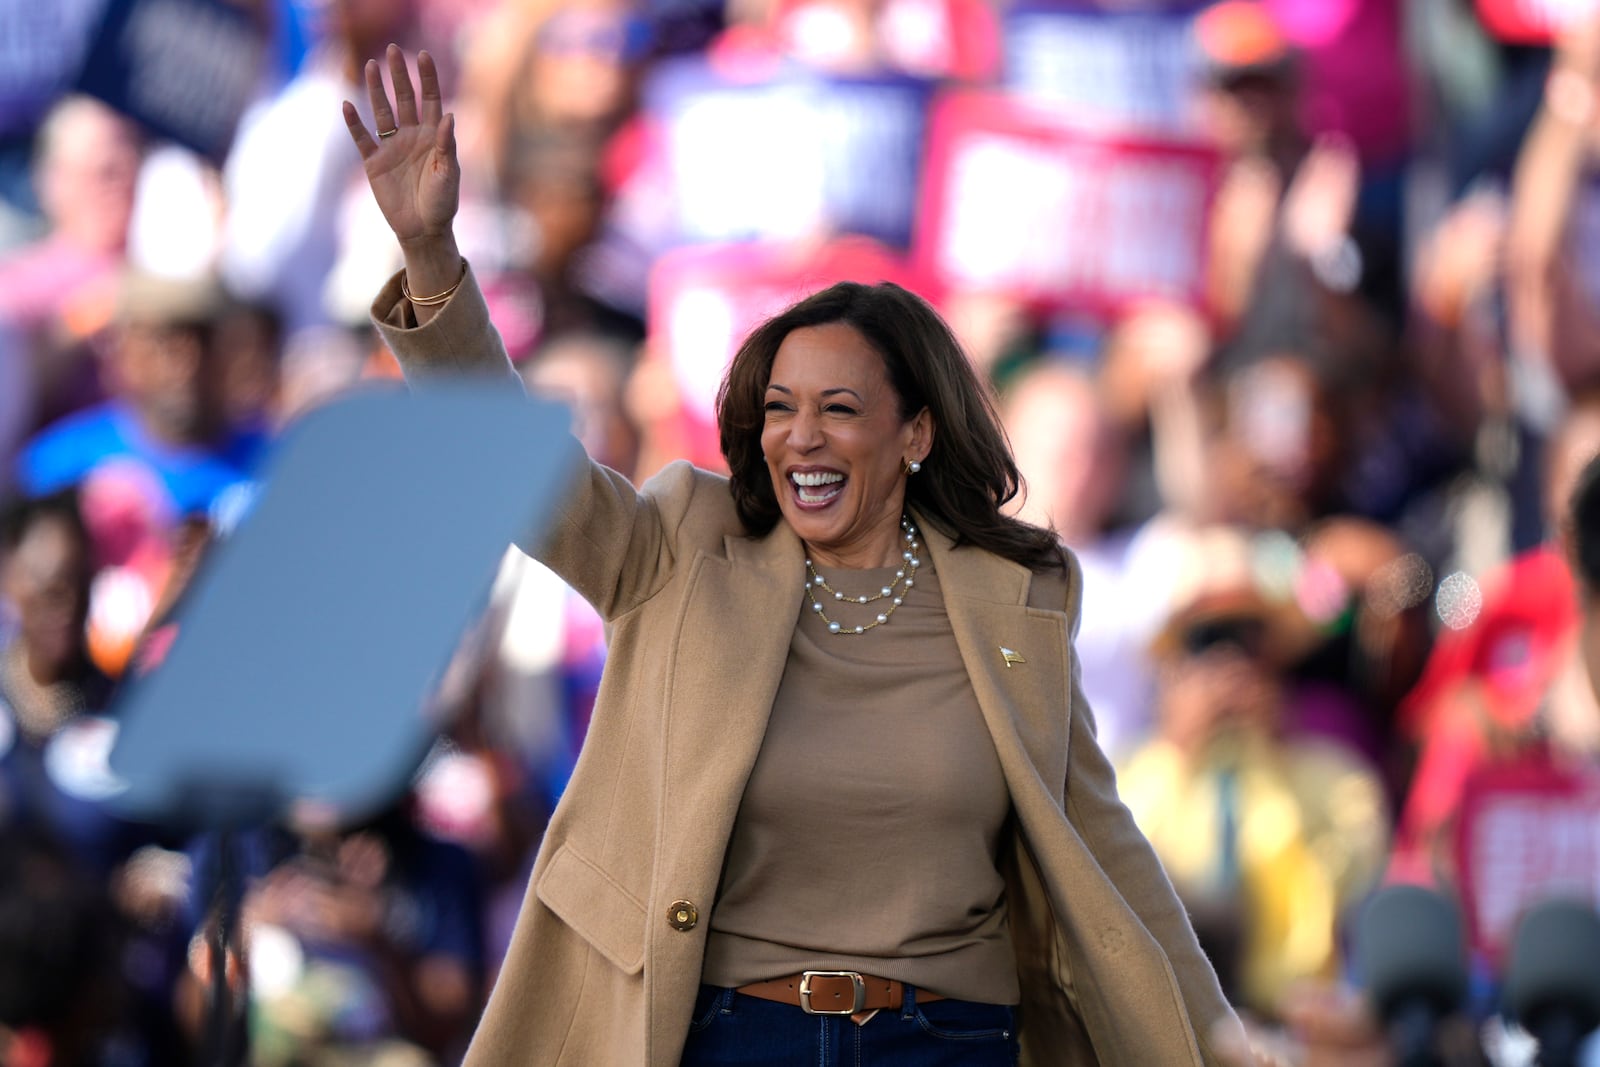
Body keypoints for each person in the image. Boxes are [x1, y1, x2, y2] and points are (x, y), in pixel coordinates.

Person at [342, 45, 1249, 1065]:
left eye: (838, 410)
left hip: (949, 1042)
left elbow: (1104, 843)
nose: (799, 438)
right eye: (778, 409)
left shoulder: (1010, 600)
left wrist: (1217, 1034)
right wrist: (430, 257)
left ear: (916, 433)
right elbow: (517, 471)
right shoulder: (683, 541)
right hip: (734, 1035)